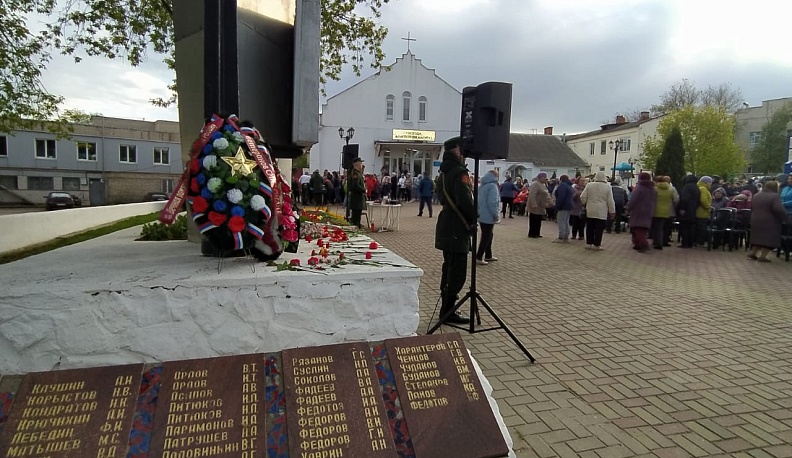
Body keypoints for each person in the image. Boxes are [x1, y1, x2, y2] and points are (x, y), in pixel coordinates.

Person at [435, 137, 475, 325]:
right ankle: (448, 311)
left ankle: (446, 309)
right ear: (457, 151)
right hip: (457, 226)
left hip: (447, 223)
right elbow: (465, 201)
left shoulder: (443, 172)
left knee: (448, 268)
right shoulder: (459, 172)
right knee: (457, 271)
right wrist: (475, 217)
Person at [747, 180, 786, 262]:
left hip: (755, 219)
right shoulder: (774, 196)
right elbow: (778, 209)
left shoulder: (757, 195)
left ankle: (753, 252)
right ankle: (763, 256)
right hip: (770, 221)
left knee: (758, 237)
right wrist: (784, 215)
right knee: (768, 238)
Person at [580, 171, 615, 250]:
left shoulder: (589, 185)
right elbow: (610, 200)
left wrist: (585, 203)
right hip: (602, 210)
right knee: (599, 228)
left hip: (591, 209)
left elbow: (582, 196)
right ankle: (597, 244)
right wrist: (612, 211)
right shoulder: (608, 187)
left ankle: (589, 243)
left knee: (590, 227)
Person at [625, 172, 656, 252]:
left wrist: (628, 207)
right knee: (643, 228)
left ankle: (643, 244)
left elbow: (633, 199)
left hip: (638, 210)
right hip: (649, 210)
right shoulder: (652, 189)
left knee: (638, 229)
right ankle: (638, 244)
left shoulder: (639, 188)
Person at [476, 169, 500, 265]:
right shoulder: (493, 186)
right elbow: (492, 202)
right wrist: (496, 215)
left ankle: (488, 255)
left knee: (488, 235)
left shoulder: (482, 186)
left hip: (481, 214)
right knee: (486, 236)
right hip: (488, 215)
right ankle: (479, 256)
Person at [651, 176, 678, 249]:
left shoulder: (655, 189)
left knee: (656, 227)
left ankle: (657, 242)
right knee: (664, 227)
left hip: (656, 210)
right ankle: (663, 241)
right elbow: (676, 200)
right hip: (667, 210)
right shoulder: (671, 189)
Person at [677, 175, 700, 248]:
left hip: (687, 209)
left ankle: (685, 243)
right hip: (693, 209)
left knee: (684, 227)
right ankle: (690, 243)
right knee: (691, 227)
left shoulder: (687, 187)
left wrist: (681, 208)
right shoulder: (697, 187)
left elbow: (684, 198)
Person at [527, 173, 550, 238]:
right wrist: (533, 204)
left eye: (545, 177)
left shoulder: (543, 185)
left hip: (541, 205)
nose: (545, 178)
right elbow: (532, 195)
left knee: (538, 220)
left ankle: (537, 233)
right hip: (535, 205)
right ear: (539, 177)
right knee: (534, 219)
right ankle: (532, 233)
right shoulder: (535, 184)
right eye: (543, 177)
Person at [552, 175, 573, 243]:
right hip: (569, 205)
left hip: (563, 206)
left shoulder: (562, 186)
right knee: (566, 221)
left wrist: (558, 206)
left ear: (561, 180)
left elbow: (561, 197)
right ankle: (566, 236)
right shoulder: (569, 186)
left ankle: (561, 237)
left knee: (561, 221)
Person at [347, 158, 366, 228]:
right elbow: (355, 185)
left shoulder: (356, 173)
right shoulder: (355, 173)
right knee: (356, 218)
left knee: (357, 217)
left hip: (356, 199)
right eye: (360, 163)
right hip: (357, 199)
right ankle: (356, 230)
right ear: (356, 164)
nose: (362, 165)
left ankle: (357, 228)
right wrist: (364, 190)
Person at [696, 176, 714, 245]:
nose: (711, 185)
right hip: (702, 212)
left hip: (700, 211)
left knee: (700, 227)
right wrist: (709, 207)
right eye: (710, 183)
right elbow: (703, 200)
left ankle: (699, 240)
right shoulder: (703, 189)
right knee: (702, 228)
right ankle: (700, 241)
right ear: (706, 183)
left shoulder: (700, 188)